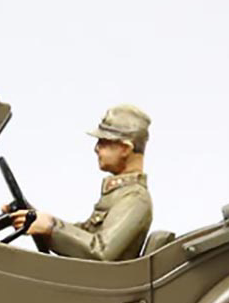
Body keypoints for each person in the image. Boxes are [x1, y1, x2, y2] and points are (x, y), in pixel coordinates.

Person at [8, 104, 153, 261]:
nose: (96, 148)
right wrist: (36, 219)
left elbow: (101, 252)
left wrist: (52, 227)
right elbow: (84, 234)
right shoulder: (119, 194)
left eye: (104, 142)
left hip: (101, 277)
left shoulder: (135, 198)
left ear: (125, 149)